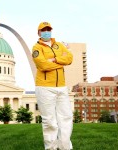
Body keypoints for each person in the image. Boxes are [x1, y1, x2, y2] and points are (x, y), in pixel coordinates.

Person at [32, 22, 73, 150]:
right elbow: (43, 65)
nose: (46, 32)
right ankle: (51, 148)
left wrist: (54, 60)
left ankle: (65, 147)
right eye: (43, 30)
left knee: (66, 117)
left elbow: (70, 58)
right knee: (49, 121)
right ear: (38, 33)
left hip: (61, 86)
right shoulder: (36, 48)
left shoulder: (59, 45)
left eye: (48, 29)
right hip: (44, 87)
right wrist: (61, 61)